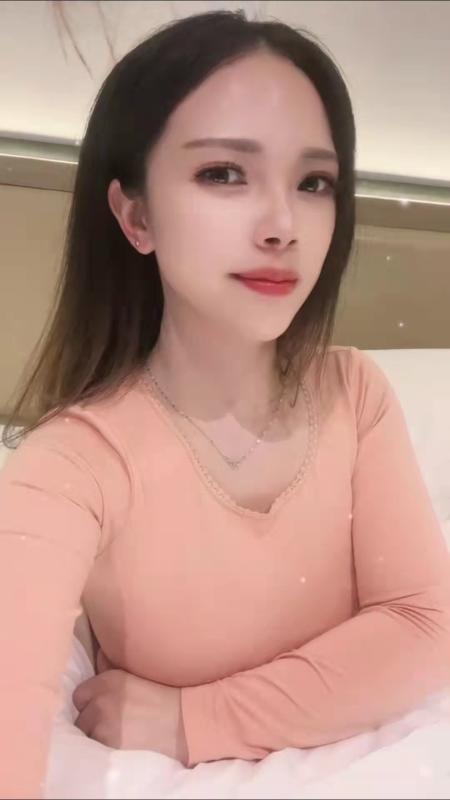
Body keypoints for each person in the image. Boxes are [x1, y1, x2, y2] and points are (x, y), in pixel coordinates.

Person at [1, 8, 450, 799]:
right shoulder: (73, 464)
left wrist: (193, 719)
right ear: (137, 215)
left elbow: (424, 624)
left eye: (313, 183)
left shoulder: (355, 395)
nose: (282, 224)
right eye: (224, 174)